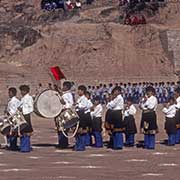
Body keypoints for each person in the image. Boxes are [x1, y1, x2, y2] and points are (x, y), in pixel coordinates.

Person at [56, 81, 74, 149]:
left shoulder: (68, 95)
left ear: (66, 87)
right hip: (61, 112)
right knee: (60, 128)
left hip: (65, 112)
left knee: (63, 128)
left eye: (63, 86)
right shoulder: (64, 94)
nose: (62, 88)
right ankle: (61, 142)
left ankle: (63, 143)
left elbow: (69, 104)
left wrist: (62, 101)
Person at [18, 85, 34, 153]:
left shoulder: (29, 98)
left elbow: (31, 108)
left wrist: (23, 109)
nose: (21, 92)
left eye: (22, 91)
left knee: (26, 131)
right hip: (22, 116)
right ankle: (23, 146)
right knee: (22, 130)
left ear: (26, 91)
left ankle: (26, 147)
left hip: (26, 116)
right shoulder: (23, 98)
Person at [75, 85, 90, 151]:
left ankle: (81, 146)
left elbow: (83, 107)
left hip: (82, 115)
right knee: (77, 131)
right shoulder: (79, 98)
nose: (78, 91)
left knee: (81, 131)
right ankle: (78, 145)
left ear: (83, 91)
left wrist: (77, 105)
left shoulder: (84, 99)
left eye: (79, 90)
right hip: (78, 114)